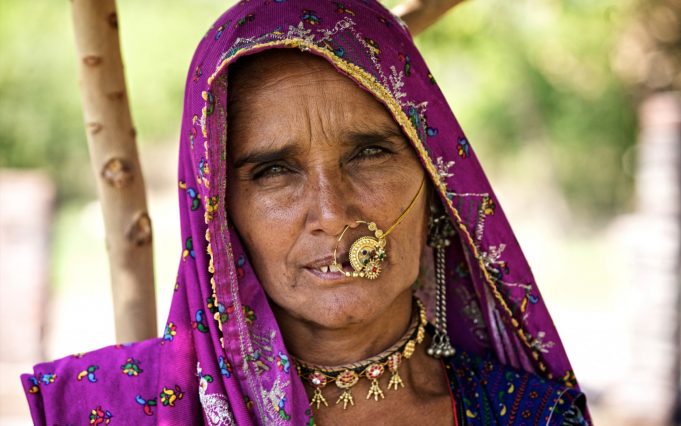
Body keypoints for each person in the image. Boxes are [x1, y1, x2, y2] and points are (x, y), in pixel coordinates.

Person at [22, 1, 589, 424]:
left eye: (370, 153)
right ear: (219, 219)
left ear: (436, 184)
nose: (332, 212)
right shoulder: (109, 409)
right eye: (274, 171)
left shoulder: (532, 416)